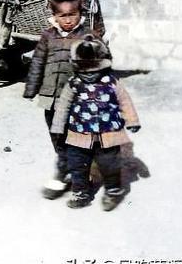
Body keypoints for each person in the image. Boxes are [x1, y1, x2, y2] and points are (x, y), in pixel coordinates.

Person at [23, 0, 102, 200]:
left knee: (77, 141)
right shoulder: (48, 36)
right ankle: (65, 168)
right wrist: (31, 90)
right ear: (55, 16)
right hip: (50, 100)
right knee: (58, 138)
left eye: (72, 15)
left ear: (80, 14)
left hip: (76, 103)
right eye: (63, 16)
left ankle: (81, 185)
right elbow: (38, 63)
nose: (68, 20)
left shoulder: (88, 36)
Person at [51, 35, 141, 210]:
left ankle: (113, 191)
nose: (90, 75)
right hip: (79, 134)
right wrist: (57, 126)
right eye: (85, 71)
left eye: (94, 70)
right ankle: (81, 193)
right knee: (77, 165)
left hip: (109, 134)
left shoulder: (111, 82)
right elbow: (63, 105)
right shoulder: (74, 83)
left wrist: (132, 120)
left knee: (110, 164)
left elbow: (125, 101)